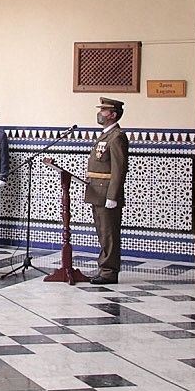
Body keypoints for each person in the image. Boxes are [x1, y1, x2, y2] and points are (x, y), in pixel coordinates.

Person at [82, 97, 128, 283]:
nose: (100, 113)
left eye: (103, 110)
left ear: (113, 114)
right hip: (97, 193)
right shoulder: (104, 135)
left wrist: (113, 195)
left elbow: (119, 168)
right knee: (102, 233)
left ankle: (109, 272)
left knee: (109, 234)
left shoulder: (117, 137)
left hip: (107, 194)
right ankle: (104, 268)